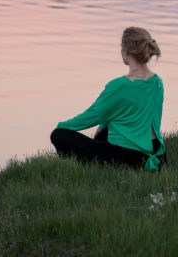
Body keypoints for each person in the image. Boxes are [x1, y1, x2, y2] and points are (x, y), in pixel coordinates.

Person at [50, 26, 165, 170]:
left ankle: (79, 166)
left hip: (127, 158)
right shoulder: (157, 82)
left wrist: (62, 126)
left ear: (126, 51)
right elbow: (136, 114)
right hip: (157, 155)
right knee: (105, 128)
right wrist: (101, 128)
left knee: (58, 135)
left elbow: (92, 115)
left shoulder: (119, 86)